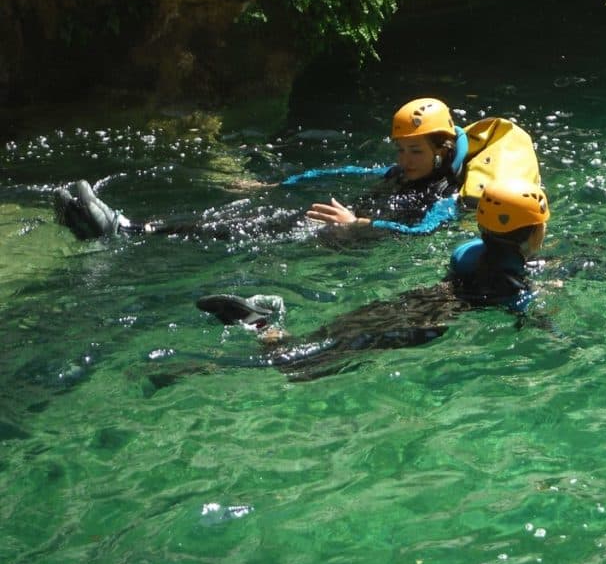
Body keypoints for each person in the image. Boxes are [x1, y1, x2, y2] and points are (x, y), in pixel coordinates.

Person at [157, 178, 551, 384]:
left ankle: (262, 326)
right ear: (535, 234)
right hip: (421, 324)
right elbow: (521, 309)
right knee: (306, 366)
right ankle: (195, 369)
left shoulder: (468, 253)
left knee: (321, 342)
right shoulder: (511, 283)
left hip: (407, 302)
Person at [53, 97, 472, 241]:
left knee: (243, 230)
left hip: (346, 240)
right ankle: (127, 228)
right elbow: (341, 172)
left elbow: (422, 232)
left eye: (414, 152)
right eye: (400, 150)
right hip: (328, 226)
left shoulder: (443, 196)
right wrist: (275, 181)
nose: (403, 160)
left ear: (441, 150)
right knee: (242, 220)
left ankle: (125, 230)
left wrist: (358, 225)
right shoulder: (399, 173)